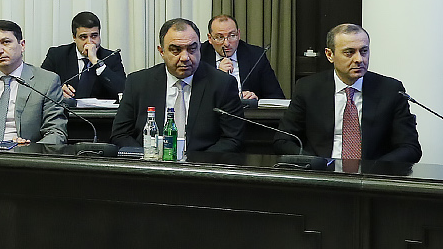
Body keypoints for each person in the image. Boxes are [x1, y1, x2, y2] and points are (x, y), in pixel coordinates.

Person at [279, 23, 421, 164]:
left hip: (373, 174)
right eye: (349, 52)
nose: (359, 59)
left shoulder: (390, 90)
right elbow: (283, 140)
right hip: (321, 172)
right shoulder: (308, 88)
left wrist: (373, 169)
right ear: (330, 55)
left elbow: (410, 148)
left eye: (364, 51)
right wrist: (314, 163)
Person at [110, 18, 245, 153]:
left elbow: (232, 138)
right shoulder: (138, 83)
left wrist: (196, 161)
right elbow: (120, 134)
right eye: (176, 50)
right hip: (149, 161)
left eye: (192, 49)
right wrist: (147, 156)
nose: (185, 57)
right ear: (162, 51)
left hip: (201, 163)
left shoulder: (222, 84)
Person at [39, 11, 127, 101]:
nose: (89, 42)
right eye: (83, 37)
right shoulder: (57, 55)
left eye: (94, 36)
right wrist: (57, 91)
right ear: (74, 37)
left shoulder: (112, 57)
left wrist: (96, 62)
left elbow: (123, 91)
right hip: (65, 109)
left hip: (100, 110)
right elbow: (39, 85)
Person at [199, 14, 285, 101]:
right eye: (219, 37)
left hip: (246, 109)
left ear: (239, 35)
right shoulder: (200, 55)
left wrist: (256, 101)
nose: (226, 43)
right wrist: (218, 76)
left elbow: (276, 97)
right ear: (210, 38)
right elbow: (196, 96)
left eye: (232, 36)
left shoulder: (256, 56)